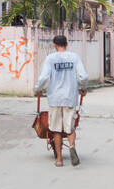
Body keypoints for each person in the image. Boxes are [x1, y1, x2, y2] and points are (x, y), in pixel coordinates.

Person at [34, 34, 88, 167]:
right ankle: (71, 146)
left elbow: (44, 78)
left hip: (55, 98)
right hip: (70, 97)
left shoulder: (50, 59)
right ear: (67, 44)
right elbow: (83, 76)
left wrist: (38, 89)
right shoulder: (74, 57)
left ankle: (59, 159)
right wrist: (83, 87)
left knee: (56, 130)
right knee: (70, 127)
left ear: (55, 45)